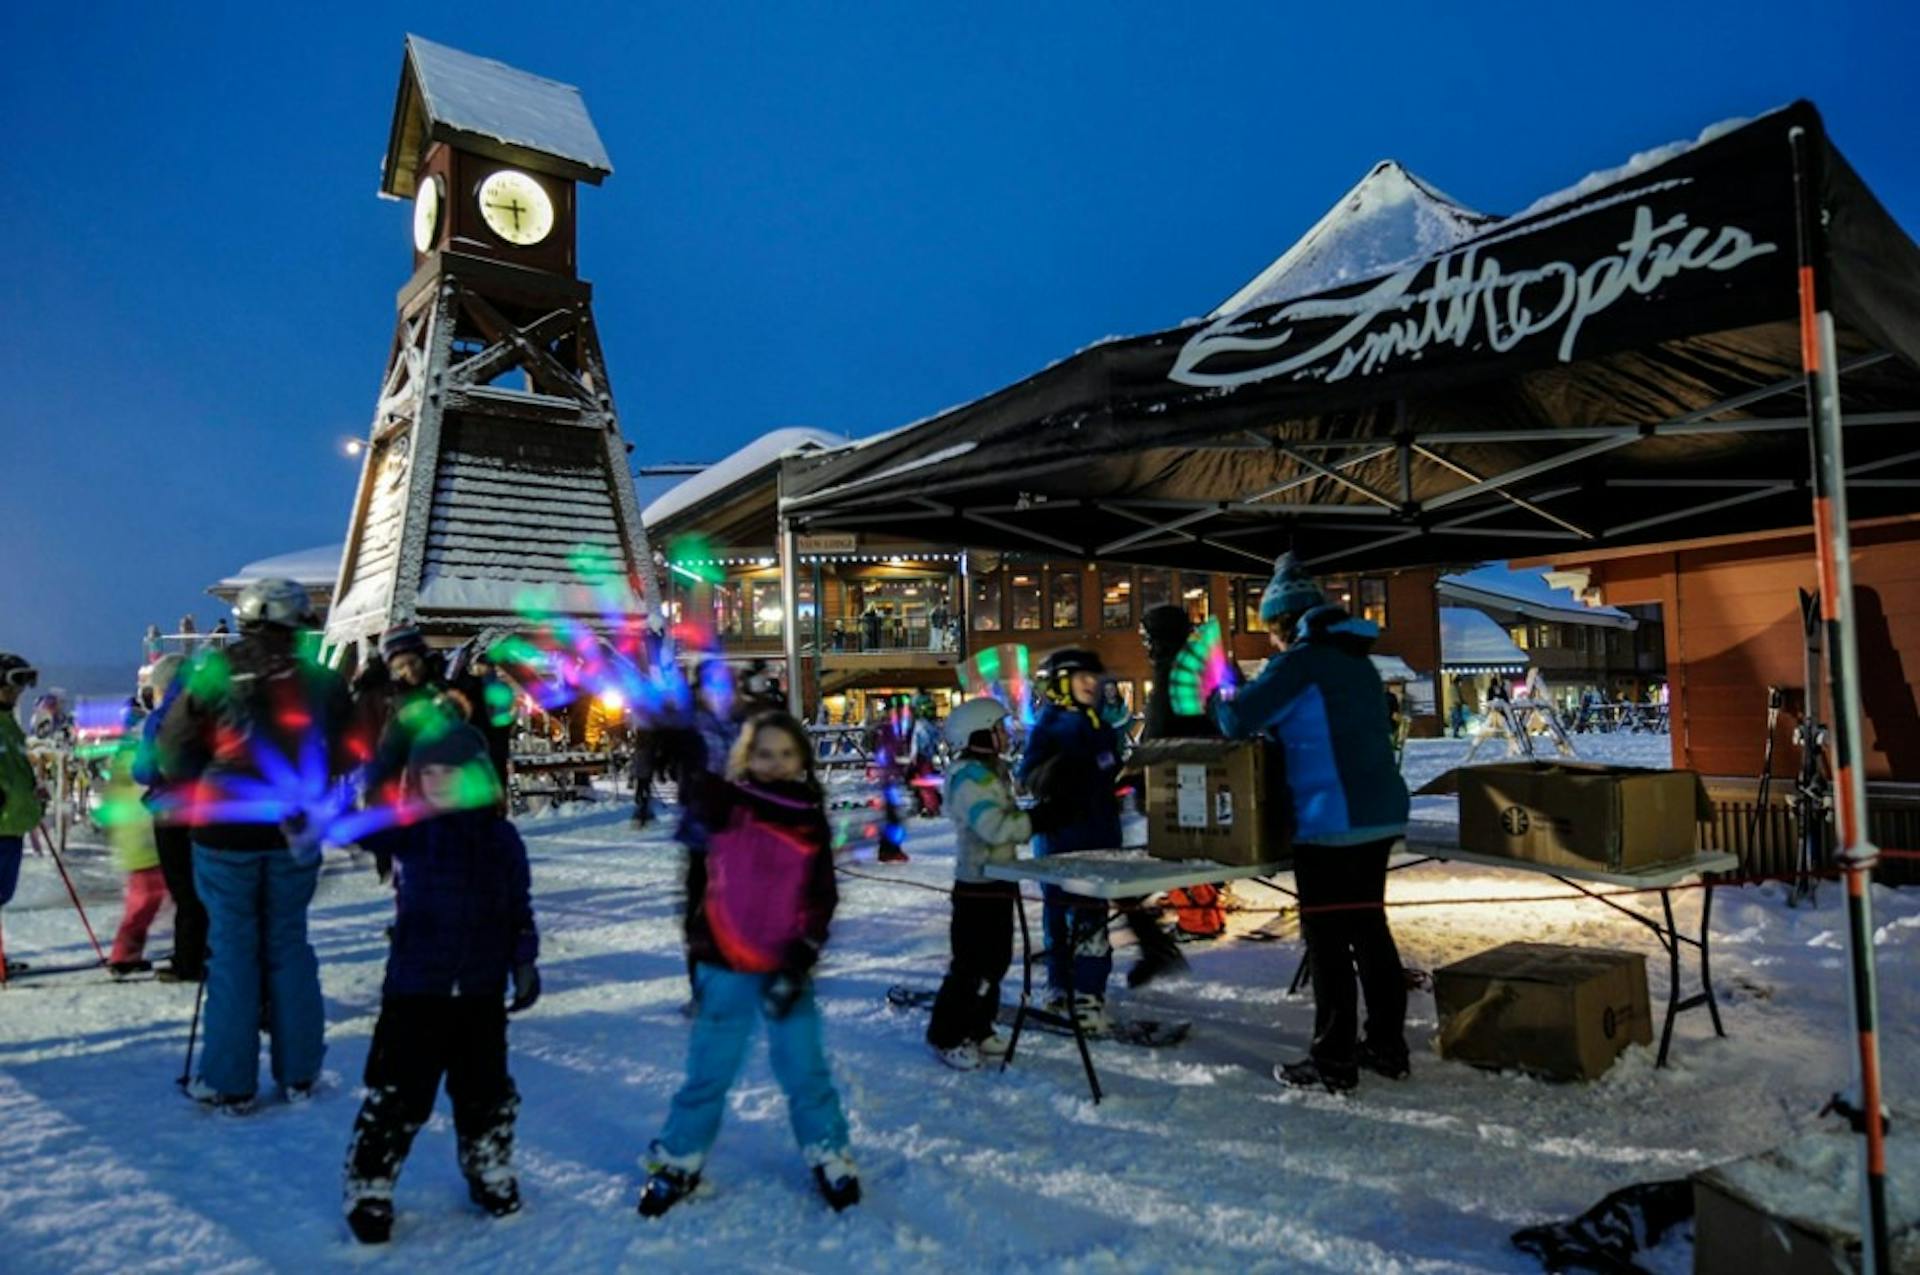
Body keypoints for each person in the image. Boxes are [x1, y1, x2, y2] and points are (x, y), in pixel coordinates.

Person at [638, 711, 857, 1217]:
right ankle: (678, 1158)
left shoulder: (808, 817)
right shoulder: (727, 803)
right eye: (764, 754)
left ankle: (828, 1150)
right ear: (746, 758)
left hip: (786, 965)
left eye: (785, 754)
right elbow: (697, 795)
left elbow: (822, 895)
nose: (775, 764)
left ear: (802, 756)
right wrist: (677, 739)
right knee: (708, 1071)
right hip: (726, 961)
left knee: (805, 1068)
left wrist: (804, 952)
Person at [1212, 552, 1410, 1092]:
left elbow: (1238, 719)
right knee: (1371, 932)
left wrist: (1218, 695)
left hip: (1331, 820)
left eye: (1270, 628)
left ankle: (1334, 1060)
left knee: (1327, 943)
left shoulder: (1301, 662)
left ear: (1281, 622)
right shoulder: (1356, 659)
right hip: (1379, 813)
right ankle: (1388, 1047)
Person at [158, 578, 354, 1111]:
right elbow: (349, 749)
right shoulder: (320, 681)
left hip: (224, 827)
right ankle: (300, 1074)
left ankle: (228, 1081)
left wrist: (203, 783)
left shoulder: (212, 673)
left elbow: (173, 748)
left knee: (233, 949)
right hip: (293, 828)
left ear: (245, 619)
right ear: (297, 623)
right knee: (289, 944)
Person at [341, 725, 539, 1244]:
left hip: (480, 991)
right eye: (428, 771)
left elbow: (519, 908)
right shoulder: (408, 829)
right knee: (401, 1092)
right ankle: (371, 1183)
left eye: (451, 771)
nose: (438, 780)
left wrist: (524, 962)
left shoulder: (502, 841)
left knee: (486, 1092)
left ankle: (488, 1167)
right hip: (416, 989)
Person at [927, 696, 1051, 1070]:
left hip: (999, 880)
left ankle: (979, 1025)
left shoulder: (993, 770)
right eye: (999, 728)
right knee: (970, 964)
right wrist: (1040, 820)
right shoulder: (970, 778)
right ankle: (947, 1034)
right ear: (979, 733)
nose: (1007, 735)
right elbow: (994, 827)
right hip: (976, 885)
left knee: (995, 962)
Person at [1017, 648, 1124, 1034]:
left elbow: (1110, 775)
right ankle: (1061, 985)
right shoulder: (1050, 725)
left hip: (1098, 834)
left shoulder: (1102, 727)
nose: (1092, 685)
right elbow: (1027, 773)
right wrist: (1054, 775)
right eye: (1082, 678)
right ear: (1061, 683)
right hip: (1060, 837)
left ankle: (1088, 994)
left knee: (1091, 916)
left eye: (1095, 678)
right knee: (1058, 916)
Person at [1136, 603, 1222, 951]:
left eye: (1146, 635)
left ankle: (1198, 918)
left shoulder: (1170, 667)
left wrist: (1141, 766)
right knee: (1193, 848)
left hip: (1176, 774)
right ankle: (1201, 907)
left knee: (1177, 849)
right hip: (1200, 770)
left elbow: (1159, 726)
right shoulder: (1195, 662)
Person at [132, 655, 206, 982]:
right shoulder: (211, 710)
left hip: (171, 810)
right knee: (207, 884)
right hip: (211, 810)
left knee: (183, 889)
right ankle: (213, 949)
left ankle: (187, 960)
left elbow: (145, 770)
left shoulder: (161, 719)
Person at [103, 699, 169, 978]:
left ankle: (127, 952)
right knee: (145, 902)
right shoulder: (136, 759)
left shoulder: (122, 759)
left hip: (139, 840)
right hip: (146, 840)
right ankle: (123, 955)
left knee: (149, 901)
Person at [0, 653, 46, 974]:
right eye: (13, 684)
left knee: (3, 894)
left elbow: (17, 771)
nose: (18, 693)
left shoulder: (10, 726)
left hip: (13, 824)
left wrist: (34, 793)